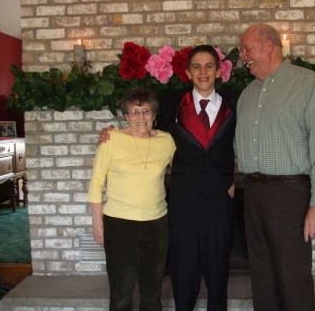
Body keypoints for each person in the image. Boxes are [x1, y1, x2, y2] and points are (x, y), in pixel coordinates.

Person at [99, 45, 237, 311]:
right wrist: (111, 131)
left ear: (219, 71)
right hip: (182, 199)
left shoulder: (235, 101)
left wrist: (234, 178)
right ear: (187, 72)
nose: (203, 72)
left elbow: (247, 139)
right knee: (184, 268)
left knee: (218, 270)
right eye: (196, 66)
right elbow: (143, 127)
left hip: (220, 199)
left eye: (209, 65)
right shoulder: (173, 102)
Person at [235, 24, 315, 311]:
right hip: (252, 192)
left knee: (293, 276)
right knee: (262, 276)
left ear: (269, 46)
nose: (243, 55)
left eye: (247, 48)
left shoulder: (306, 83)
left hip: (289, 195)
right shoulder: (247, 93)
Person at [88, 86, 176, 311]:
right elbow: (96, 183)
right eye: (134, 112)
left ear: (154, 115)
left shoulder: (167, 141)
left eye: (146, 111)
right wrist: (98, 223)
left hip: (156, 224)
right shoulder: (111, 139)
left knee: (152, 291)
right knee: (121, 292)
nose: (140, 117)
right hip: (119, 224)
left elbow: (186, 173)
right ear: (126, 116)